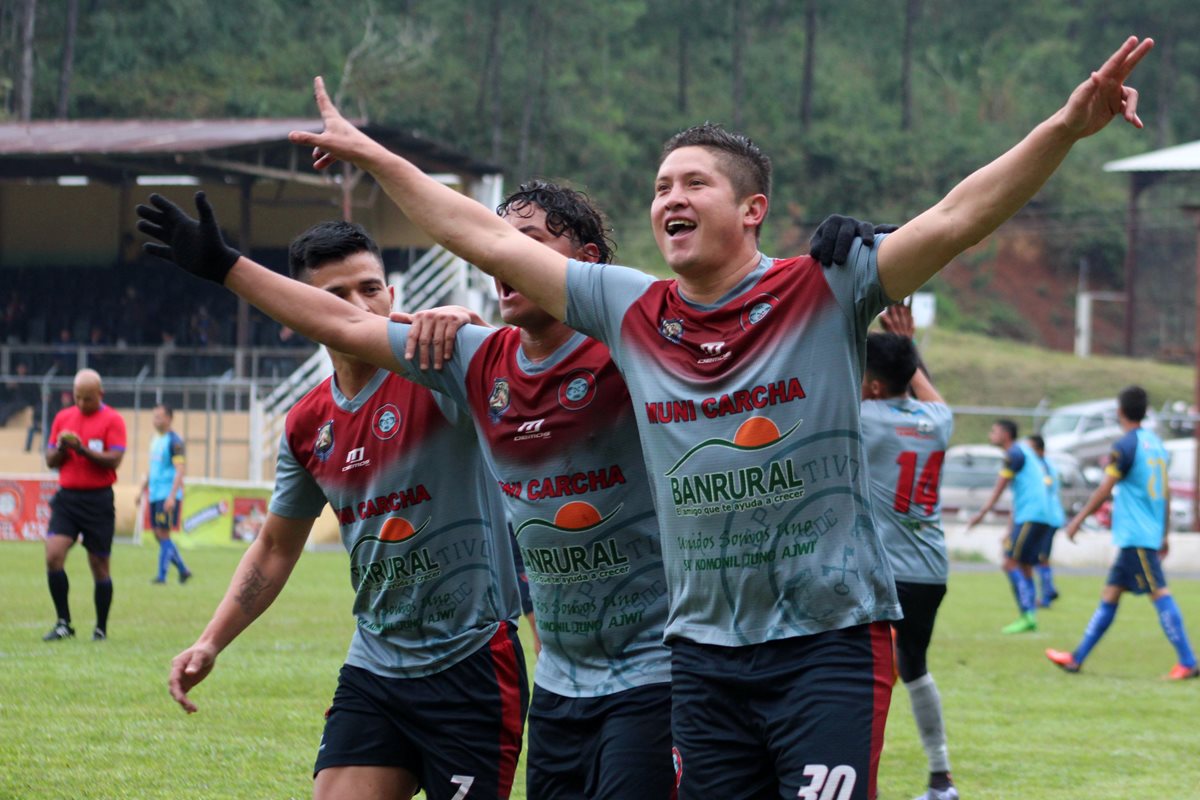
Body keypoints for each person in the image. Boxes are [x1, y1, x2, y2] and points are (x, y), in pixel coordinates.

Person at [138, 35, 1153, 799]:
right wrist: (353, 166)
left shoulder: (816, 286)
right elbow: (465, 238)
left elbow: (956, 217)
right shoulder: (629, 310)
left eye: (695, 181)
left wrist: (1066, 127)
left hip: (825, 639)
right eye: (662, 182)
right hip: (699, 656)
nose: (672, 193)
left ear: (751, 208)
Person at [166, 221, 527, 800]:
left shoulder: (438, 370)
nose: (360, 305)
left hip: (472, 664)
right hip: (375, 667)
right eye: (334, 297)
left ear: (393, 292)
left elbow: (513, 375)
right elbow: (277, 545)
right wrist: (211, 641)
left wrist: (472, 324)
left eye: (370, 287)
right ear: (301, 310)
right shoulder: (306, 423)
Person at [393, 179, 677, 798]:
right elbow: (349, 331)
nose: (501, 260)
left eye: (528, 243)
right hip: (557, 688)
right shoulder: (485, 363)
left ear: (587, 263)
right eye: (497, 247)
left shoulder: (638, 345)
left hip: (659, 676)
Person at [859, 304, 957, 800]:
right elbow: (926, 394)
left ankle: (854, 778)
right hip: (930, 570)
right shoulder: (937, 421)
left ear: (873, 387)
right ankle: (941, 777)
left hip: (879, 574)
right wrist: (908, 350)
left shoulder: (864, 418)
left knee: (852, 674)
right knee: (914, 667)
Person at [1046, 385, 1198, 680]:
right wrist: (1164, 533)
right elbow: (1164, 493)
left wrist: (1077, 519)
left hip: (1136, 536)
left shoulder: (1124, 447)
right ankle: (1076, 658)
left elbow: (1105, 488)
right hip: (1144, 534)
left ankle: (1188, 661)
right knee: (1111, 594)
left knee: (1159, 593)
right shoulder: (1156, 444)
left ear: (1120, 411)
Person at [42, 368, 127, 642]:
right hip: (67, 498)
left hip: (98, 501)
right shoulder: (63, 418)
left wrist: (82, 450)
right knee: (53, 555)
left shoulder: (113, 420)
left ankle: (100, 628)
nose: (81, 404)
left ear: (100, 395)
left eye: (87, 399)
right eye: (77, 398)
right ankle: (63, 622)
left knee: (99, 565)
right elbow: (50, 460)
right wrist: (63, 448)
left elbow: (114, 460)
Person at [966, 417, 1055, 633]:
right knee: (1025, 565)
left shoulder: (1013, 454)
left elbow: (999, 489)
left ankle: (1027, 614)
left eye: (994, 431)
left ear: (1005, 435)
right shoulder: (1024, 453)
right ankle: (1030, 616)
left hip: (1031, 515)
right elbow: (1021, 493)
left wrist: (981, 513)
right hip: (1041, 515)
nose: (991, 435)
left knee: (1009, 563)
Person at [140, 403, 192, 584]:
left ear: (169, 418)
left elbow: (180, 469)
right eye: (154, 416)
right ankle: (183, 570)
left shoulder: (175, 442)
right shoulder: (155, 439)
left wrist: (172, 496)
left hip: (167, 494)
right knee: (157, 533)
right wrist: (142, 491)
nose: (156, 420)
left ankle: (161, 577)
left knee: (163, 533)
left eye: (159, 417)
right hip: (155, 494)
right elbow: (153, 468)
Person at [1029, 433, 1063, 607]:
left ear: (1039, 450)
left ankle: (1048, 593)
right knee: (1040, 557)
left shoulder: (1043, 466)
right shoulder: (1044, 464)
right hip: (1048, 516)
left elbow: (1047, 488)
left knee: (1040, 557)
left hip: (1048, 517)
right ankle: (1048, 591)